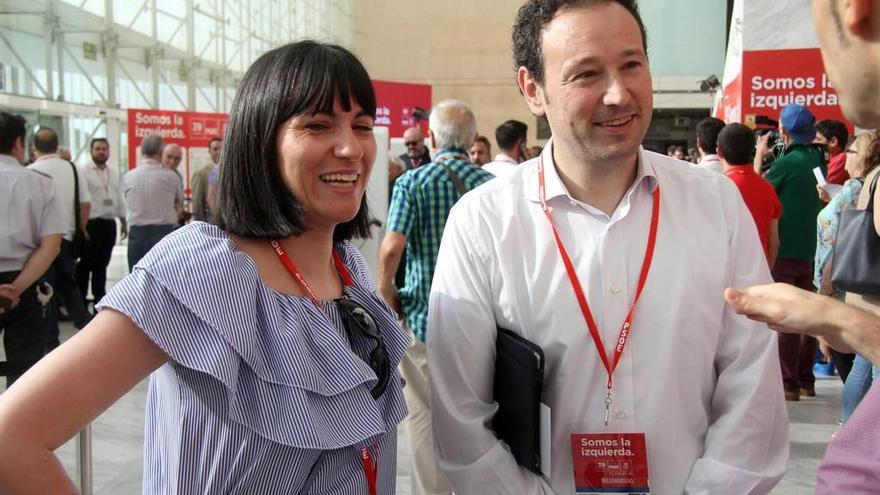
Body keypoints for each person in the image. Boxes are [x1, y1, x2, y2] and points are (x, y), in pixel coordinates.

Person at [0, 40, 410, 494]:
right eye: (317, 125)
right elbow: (11, 437)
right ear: (261, 140)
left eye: (363, 125)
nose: (351, 148)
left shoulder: (347, 268)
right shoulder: (208, 271)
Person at [426, 1, 788, 494]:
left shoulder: (715, 204)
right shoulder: (483, 223)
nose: (618, 93)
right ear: (532, 90)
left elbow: (752, 384)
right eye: (587, 74)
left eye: (632, 64)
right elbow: (460, 419)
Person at [728, 1, 880, 492]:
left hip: (801, 263)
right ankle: (804, 381)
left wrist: (840, 321)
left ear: (855, 12)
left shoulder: (780, 166)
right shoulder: (820, 161)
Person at [378, 99, 494, 495]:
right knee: (476, 413)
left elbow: (392, 246)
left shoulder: (414, 182)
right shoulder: (490, 185)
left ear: (430, 138)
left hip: (424, 317)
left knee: (424, 417)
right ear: (471, 141)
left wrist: (386, 292)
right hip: (481, 323)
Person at [755, 103, 826, 401]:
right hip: (812, 249)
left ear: (783, 129)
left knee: (785, 318)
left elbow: (758, 188)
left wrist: (760, 155)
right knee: (808, 317)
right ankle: (806, 379)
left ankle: (788, 382)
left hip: (786, 250)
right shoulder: (817, 158)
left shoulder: (786, 164)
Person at [814, 131, 879, 421]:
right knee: (865, 363)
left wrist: (828, 271)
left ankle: (851, 428)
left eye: (852, 153)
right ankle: (854, 429)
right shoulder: (857, 186)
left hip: (850, 279)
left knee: (865, 364)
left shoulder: (857, 186)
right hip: (854, 279)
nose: (845, 158)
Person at [0, 112, 65, 387]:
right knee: (23, 376)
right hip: (25, 286)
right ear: (19, 143)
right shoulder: (40, 183)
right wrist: (15, 289)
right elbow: (51, 246)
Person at [29, 127, 93, 346]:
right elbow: (85, 205)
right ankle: (85, 325)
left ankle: (51, 338)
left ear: (34, 148)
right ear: (57, 145)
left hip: (39, 242)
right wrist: (81, 229)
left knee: (46, 289)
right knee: (68, 282)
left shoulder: (31, 171)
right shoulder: (72, 169)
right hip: (66, 237)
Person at [717, 123, 781, 266]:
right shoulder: (768, 188)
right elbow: (774, 242)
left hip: (726, 274)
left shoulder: (717, 188)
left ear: (719, 152)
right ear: (753, 150)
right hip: (759, 272)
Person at [75, 138, 127, 307]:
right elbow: (79, 200)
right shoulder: (83, 171)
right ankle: (81, 303)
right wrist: (82, 227)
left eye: (104, 148)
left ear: (109, 151)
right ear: (91, 151)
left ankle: (99, 302)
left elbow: (118, 198)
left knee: (102, 266)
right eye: (97, 148)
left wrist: (123, 220)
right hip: (91, 224)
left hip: (108, 223)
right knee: (85, 266)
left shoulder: (113, 172)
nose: (101, 151)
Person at [124, 135, 183, 270]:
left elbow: (126, 200)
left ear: (141, 151)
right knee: (165, 274)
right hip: (164, 233)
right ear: (161, 152)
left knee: (136, 277)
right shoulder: (171, 177)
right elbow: (179, 201)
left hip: (137, 234)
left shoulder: (129, 176)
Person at [191, 137, 222, 222]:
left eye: (222, 149)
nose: (219, 152)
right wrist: (199, 224)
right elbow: (197, 201)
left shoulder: (229, 171)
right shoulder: (201, 173)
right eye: (215, 149)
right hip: (210, 221)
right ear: (209, 151)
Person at [815, 119, 851, 186]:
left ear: (833, 142)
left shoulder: (842, 158)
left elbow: (820, 185)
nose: (813, 142)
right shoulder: (824, 159)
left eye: (818, 139)